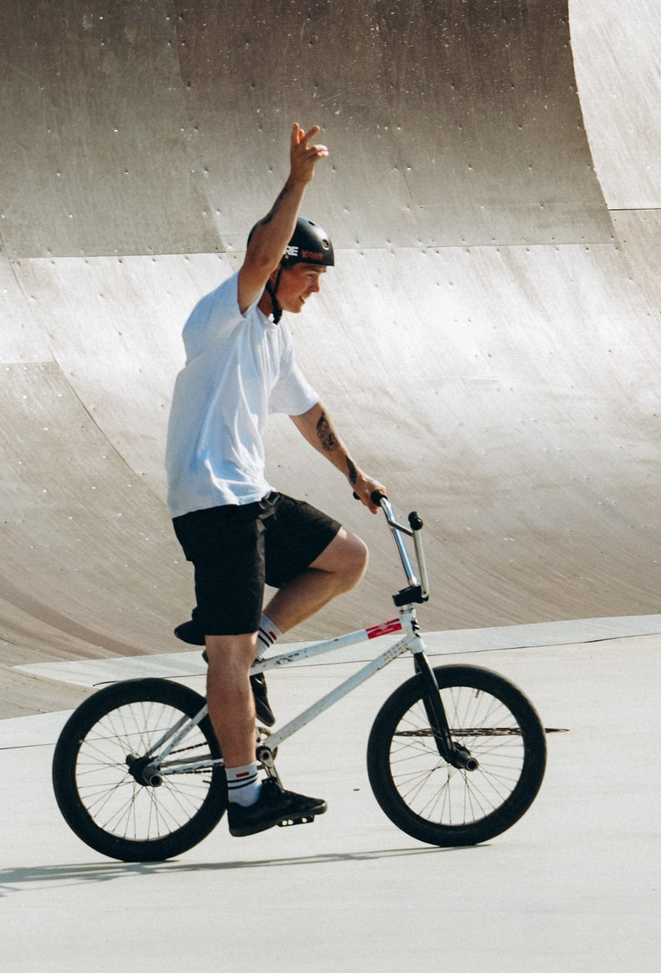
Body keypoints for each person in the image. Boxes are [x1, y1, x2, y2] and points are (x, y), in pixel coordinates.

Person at [166, 123, 387, 838]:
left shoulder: (273, 334)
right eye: (311, 274)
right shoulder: (223, 317)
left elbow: (307, 412)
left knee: (347, 558)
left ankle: (251, 645)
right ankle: (244, 794)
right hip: (212, 503)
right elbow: (260, 250)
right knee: (226, 654)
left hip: (250, 499)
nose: (316, 289)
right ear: (284, 265)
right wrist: (299, 181)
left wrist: (356, 475)